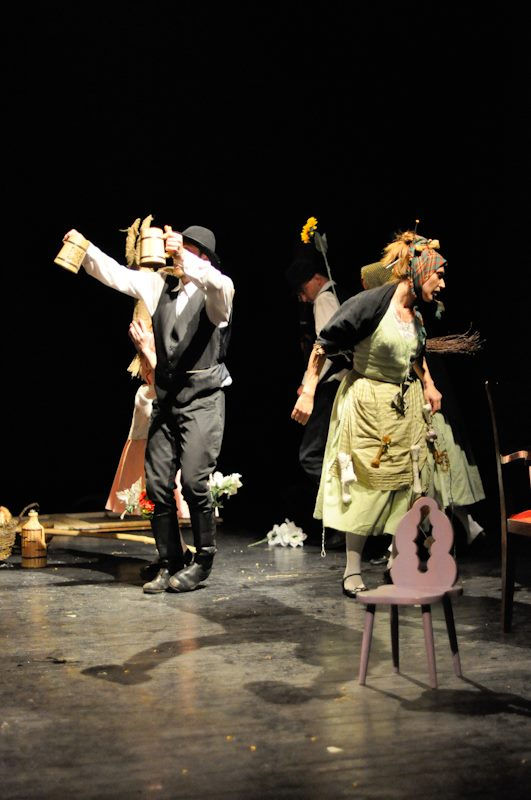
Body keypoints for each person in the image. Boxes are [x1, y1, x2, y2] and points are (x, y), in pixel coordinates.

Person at [63, 224, 234, 594]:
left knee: (194, 482)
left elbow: (219, 285)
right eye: (178, 248)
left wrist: (185, 256)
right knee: (156, 485)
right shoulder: (159, 287)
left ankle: (203, 559)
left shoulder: (217, 292)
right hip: (167, 399)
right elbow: (116, 275)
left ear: (203, 258)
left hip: (203, 401)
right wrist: (85, 248)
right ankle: (171, 560)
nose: (177, 255)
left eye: (188, 250)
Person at [291, 230, 446, 596]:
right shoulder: (371, 304)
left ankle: (395, 560)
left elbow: (416, 353)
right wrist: (309, 390)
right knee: (363, 487)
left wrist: (428, 384)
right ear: (419, 270)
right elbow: (323, 344)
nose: (442, 283)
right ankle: (352, 569)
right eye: (438, 274)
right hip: (367, 404)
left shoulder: (415, 313)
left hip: (404, 406)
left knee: (407, 486)